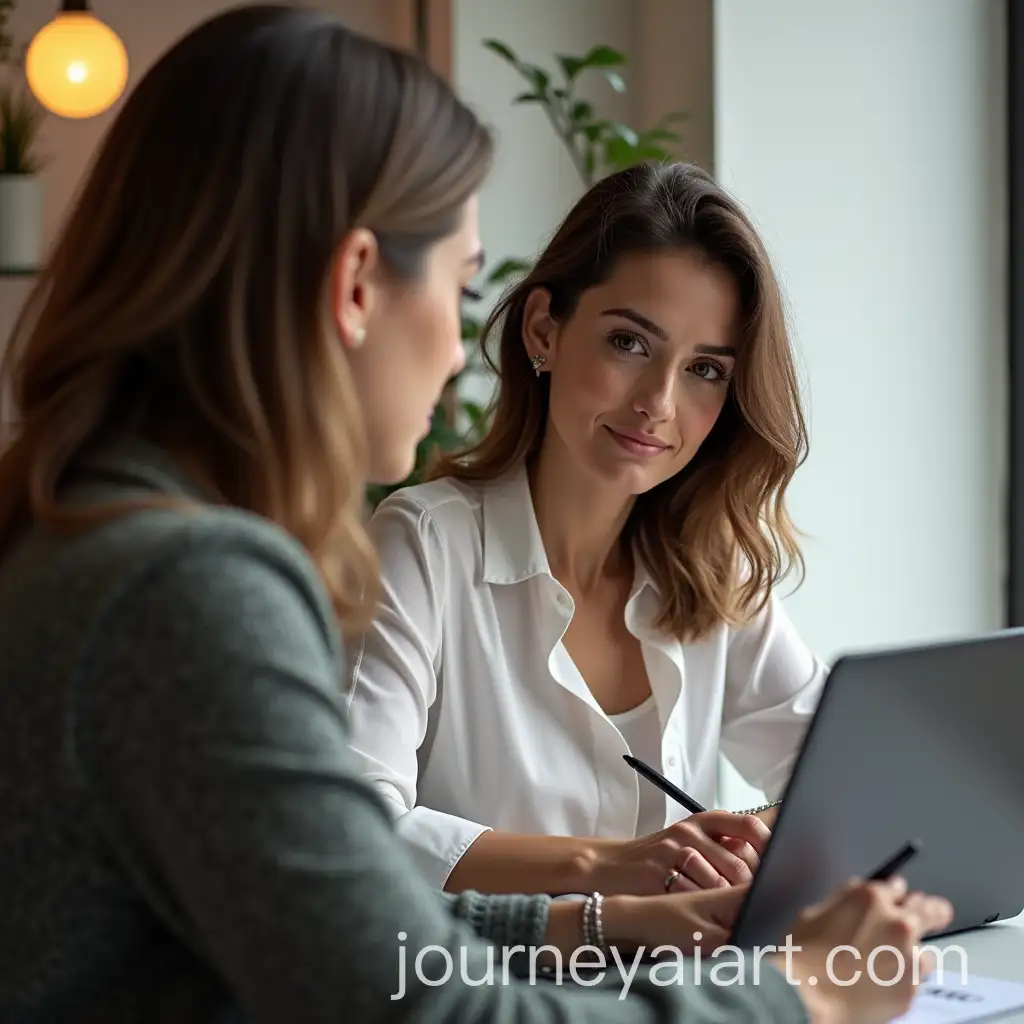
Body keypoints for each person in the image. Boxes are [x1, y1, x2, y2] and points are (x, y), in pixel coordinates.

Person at [0, 6, 951, 1024]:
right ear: (357, 286)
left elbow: (365, 939)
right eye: (459, 290)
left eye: (706, 370)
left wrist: (611, 921)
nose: (460, 352)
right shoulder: (186, 590)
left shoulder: (99, 535)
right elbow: (425, 1008)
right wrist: (796, 996)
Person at [345, 160, 827, 899]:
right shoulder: (424, 544)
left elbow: (840, 776)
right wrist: (611, 865)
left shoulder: (710, 564)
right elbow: (354, 827)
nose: (658, 403)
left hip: (678, 973)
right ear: (544, 328)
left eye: (705, 370)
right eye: (630, 343)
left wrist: (740, 841)